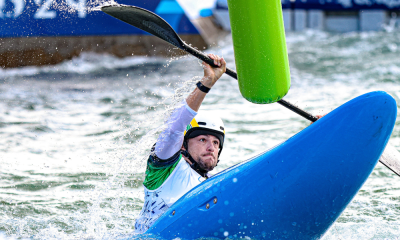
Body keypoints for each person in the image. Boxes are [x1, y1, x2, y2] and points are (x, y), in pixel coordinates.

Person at [134, 54, 227, 233]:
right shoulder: (164, 167)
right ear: (183, 145)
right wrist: (207, 82)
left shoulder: (213, 185)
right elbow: (173, 128)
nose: (211, 147)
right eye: (202, 139)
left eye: (216, 143)